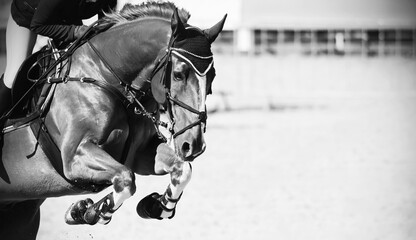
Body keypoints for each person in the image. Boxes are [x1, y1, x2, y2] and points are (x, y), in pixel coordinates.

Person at [0, 0, 117, 121]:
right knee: (13, 76)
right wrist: (76, 31)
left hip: (65, 16)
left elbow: (106, 20)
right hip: (29, 17)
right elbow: (37, 25)